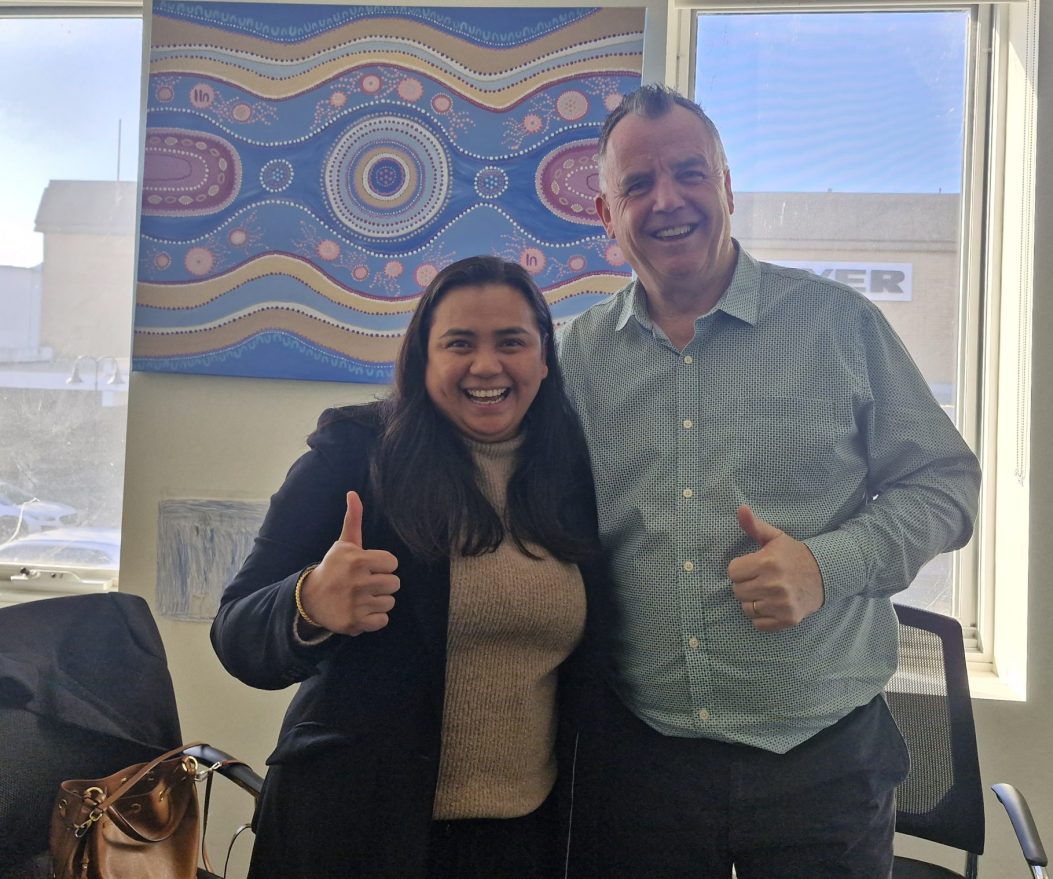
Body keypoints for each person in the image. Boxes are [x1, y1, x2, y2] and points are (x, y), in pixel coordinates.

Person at [557, 83, 983, 877]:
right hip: (640, 768)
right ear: (606, 218)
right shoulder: (572, 360)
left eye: (689, 173)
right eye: (637, 185)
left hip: (822, 768)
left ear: (726, 189)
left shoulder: (838, 324)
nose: (668, 199)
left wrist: (827, 565)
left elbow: (946, 483)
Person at [211, 256, 606, 879]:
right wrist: (308, 603)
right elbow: (233, 632)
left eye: (511, 342)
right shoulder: (355, 453)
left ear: (543, 358)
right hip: (355, 831)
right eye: (459, 343)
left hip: (524, 839)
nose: (486, 366)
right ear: (424, 358)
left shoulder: (575, 475)